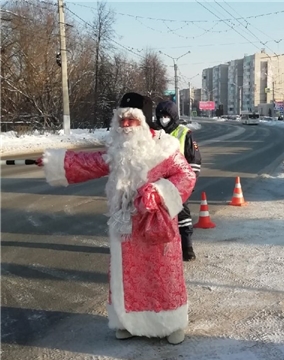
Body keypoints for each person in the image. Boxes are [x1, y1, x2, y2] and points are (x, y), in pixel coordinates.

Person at [36, 92, 196, 344]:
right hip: (126, 227)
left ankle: (171, 322)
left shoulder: (166, 149)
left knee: (163, 273)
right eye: (121, 120)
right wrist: (52, 162)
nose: (125, 125)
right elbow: (89, 163)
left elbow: (186, 175)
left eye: (131, 120)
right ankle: (128, 321)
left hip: (156, 223)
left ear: (143, 121)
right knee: (128, 276)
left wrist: (159, 193)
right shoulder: (117, 149)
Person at [153, 100, 202, 261]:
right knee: (156, 218)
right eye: (160, 116)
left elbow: (194, 162)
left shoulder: (184, 133)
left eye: (166, 116)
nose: (162, 119)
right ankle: (160, 249)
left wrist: (188, 184)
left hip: (177, 184)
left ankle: (187, 248)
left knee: (181, 216)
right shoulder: (155, 132)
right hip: (157, 184)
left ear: (173, 116)